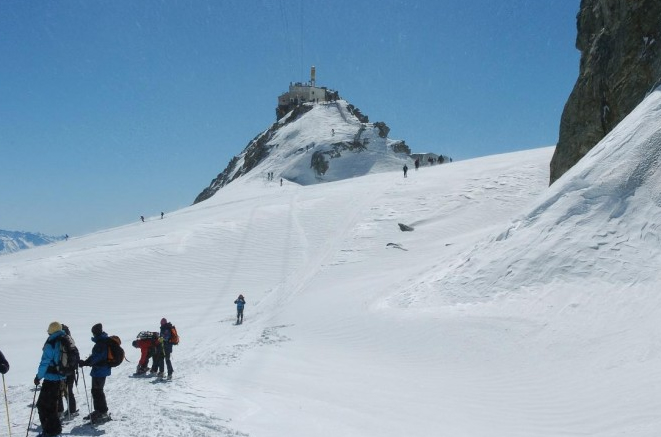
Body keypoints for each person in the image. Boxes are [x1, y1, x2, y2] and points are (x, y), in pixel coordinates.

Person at [34, 321, 67, 437]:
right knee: (52, 405)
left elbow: (45, 362)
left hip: (50, 379)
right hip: (60, 377)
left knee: (42, 405)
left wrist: (38, 377)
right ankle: (55, 429)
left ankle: (49, 431)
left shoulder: (51, 343)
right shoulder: (64, 339)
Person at [79, 323, 111, 423]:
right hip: (101, 369)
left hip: (100, 370)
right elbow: (96, 356)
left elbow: (96, 357)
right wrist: (86, 362)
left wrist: (85, 362)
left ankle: (102, 412)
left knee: (97, 391)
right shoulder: (103, 341)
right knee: (97, 391)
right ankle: (99, 411)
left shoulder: (101, 343)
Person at [57, 324, 79, 419]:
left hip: (62, 371)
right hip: (71, 370)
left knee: (59, 391)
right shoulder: (71, 341)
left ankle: (60, 411)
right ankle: (72, 410)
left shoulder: (60, 341)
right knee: (69, 391)